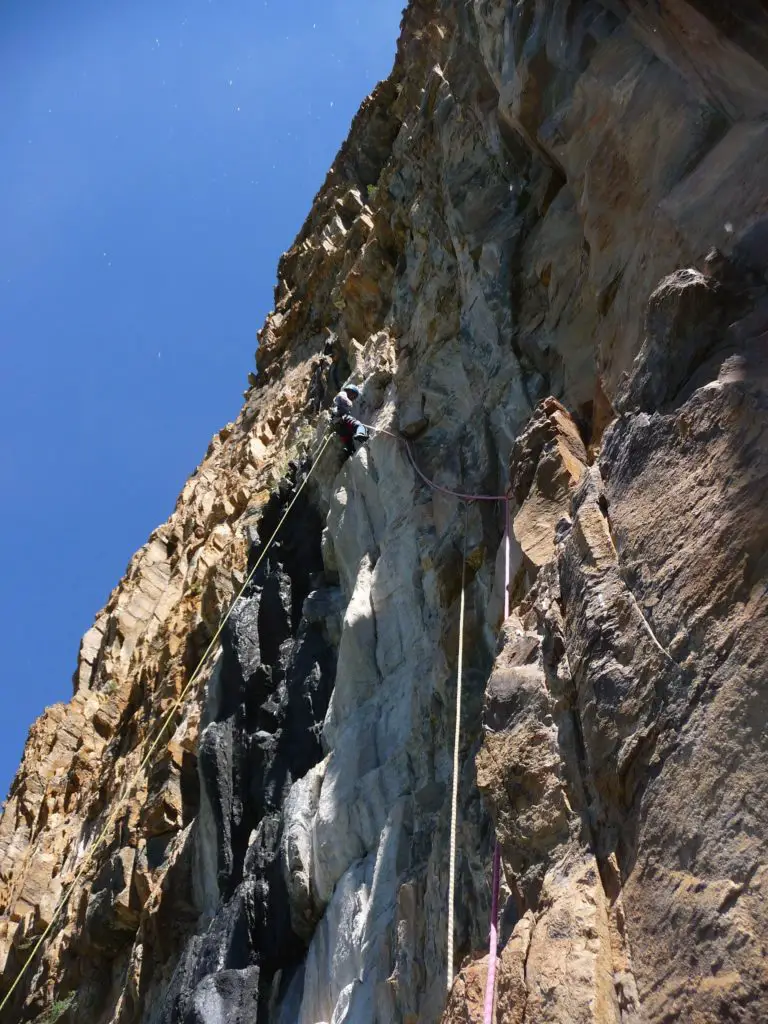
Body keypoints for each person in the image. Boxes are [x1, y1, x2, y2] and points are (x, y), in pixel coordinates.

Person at [331, 384, 368, 459]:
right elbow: (345, 401)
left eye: (354, 397)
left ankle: (349, 451)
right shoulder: (342, 394)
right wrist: (349, 404)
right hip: (342, 419)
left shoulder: (336, 401)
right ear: (349, 390)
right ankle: (361, 434)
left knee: (348, 439)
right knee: (358, 425)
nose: (353, 398)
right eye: (353, 395)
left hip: (338, 426)